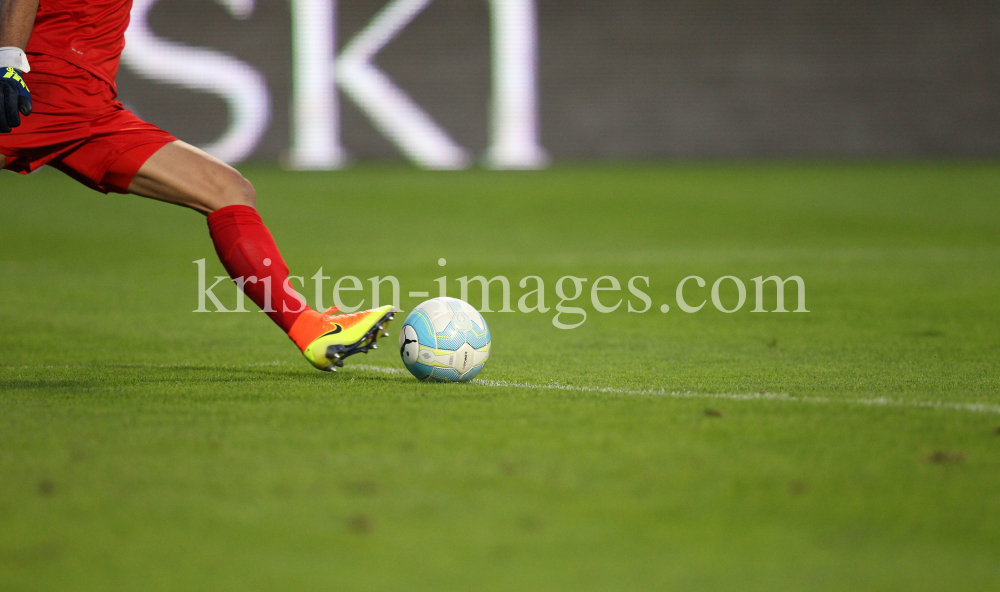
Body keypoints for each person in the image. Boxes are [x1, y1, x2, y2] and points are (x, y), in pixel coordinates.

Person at [0, 0, 394, 371]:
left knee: (226, 189)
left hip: (93, 107)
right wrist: (9, 61)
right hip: (40, 92)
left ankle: (310, 328)